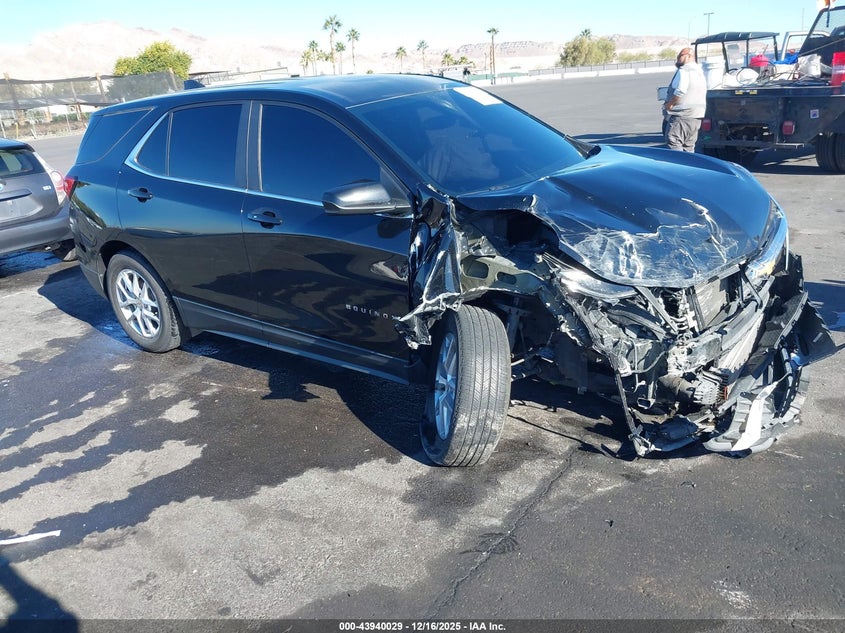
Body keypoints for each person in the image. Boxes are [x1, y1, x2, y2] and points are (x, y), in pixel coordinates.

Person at [663, 47, 706, 152]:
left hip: (682, 115)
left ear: (689, 56)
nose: (678, 58)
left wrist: (670, 104)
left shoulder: (684, 71)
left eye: (680, 55)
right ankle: (690, 167)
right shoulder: (699, 72)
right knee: (688, 146)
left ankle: (678, 167)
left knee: (673, 141)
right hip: (696, 116)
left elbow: (681, 90)